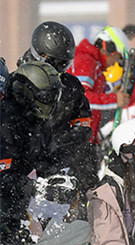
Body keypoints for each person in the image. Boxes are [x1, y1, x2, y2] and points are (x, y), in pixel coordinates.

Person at [0, 61, 63, 245]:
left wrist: (56, 181)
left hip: (10, 209)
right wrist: (36, 189)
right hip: (8, 204)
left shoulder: (28, 121)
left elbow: (43, 159)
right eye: (46, 97)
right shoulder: (7, 124)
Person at [18, 21, 98, 199]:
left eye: (64, 64)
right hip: (25, 163)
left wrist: (60, 145)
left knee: (87, 155)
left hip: (60, 161)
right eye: (55, 62)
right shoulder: (19, 82)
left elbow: (83, 128)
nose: (59, 68)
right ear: (40, 55)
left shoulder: (71, 87)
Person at [69, 25, 130, 144]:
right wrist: (115, 99)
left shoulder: (94, 65)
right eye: (117, 58)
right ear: (109, 48)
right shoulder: (86, 61)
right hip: (75, 139)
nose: (114, 64)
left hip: (84, 137)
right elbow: (81, 98)